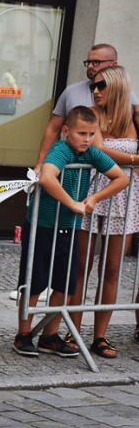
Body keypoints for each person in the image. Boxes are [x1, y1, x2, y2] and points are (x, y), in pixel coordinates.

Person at [14, 106, 128, 357]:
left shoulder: (91, 154)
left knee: (65, 283)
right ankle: (23, 334)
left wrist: (94, 198)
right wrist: (73, 203)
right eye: (81, 133)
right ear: (66, 131)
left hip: (69, 228)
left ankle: (49, 336)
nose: (87, 139)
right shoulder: (60, 149)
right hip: (43, 225)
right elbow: (46, 178)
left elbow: (122, 178)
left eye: (91, 133)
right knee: (34, 282)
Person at [66, 67, 139, 358]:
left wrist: (130, 162)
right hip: (92, 195)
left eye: (101, 86)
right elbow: (99, 152)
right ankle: (73, 331)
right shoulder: (92, 115)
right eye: (94, 85)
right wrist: (135, 159)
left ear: (118, 87)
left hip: (126, 198)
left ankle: (100, 336)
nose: (95, 90)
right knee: (81, 267)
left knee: (111, 270)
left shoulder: (134, 116)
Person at [34, 44, 139, 174]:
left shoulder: (131, 101)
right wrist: (40, 165)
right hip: (80, 172)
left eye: (96, 62)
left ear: (114, 64)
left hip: (125, 182)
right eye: (88, 62)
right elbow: (53, 129)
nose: (90, 66)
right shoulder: (71, 92)